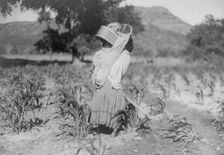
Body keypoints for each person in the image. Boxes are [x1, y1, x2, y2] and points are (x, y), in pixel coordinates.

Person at [89, 22, 133, 135]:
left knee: (109, 102)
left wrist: (120, 30)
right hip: (102, 81)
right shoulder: (102, 52)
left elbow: (125, 39)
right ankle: (101, 126)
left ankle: (112, 127)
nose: (104, 43)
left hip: (108, 81)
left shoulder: (115, 51)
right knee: (101, 102)